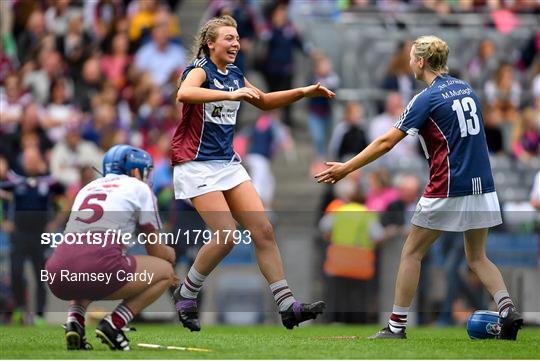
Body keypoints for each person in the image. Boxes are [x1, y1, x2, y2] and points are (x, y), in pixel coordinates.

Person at [315, 35, 523, 340]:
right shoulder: (466, 88)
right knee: (477, 257)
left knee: (411, 252)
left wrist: (347, 167)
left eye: (413, 57)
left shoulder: (426, 97)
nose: (410, 62)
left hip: (448, 186)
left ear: (422, 61)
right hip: (484, 186)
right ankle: (507, 309)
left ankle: (396, 327)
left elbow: (387, 142)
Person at [172, 15, 334, 332]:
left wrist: (303, 91)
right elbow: (184, 94)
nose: (236, 43)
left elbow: (263, 101)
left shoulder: (234, 73)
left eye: (237, 38)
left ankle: (287, 306)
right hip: (195, 163)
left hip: (226, 163)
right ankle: (187, 292)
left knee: (263, 230)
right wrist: (229, 95)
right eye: (229, 38)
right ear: (211, 43)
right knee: (227, 235)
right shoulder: (199, 70)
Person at [45, 145, 178, 351]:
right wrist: (170, 254)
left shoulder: (87, 188)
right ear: (134, 170)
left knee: (83, 268)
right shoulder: (139, 188)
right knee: (166, 272)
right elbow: (156, 251)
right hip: (97, 265)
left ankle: (75, 320)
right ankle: (113, 324)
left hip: (57, 272)